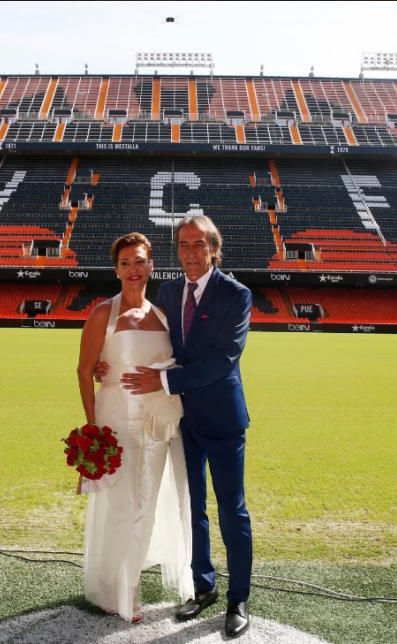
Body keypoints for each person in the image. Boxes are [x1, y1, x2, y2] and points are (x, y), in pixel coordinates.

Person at [121, 215, 254, 639]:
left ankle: (238, 598)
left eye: (199, 245)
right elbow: (157, 343)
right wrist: (114, 360)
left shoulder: (236, 295)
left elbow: (222, 361)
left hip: (223, 420)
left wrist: (162, 381)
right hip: (185, 420)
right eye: (183, 245)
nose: (191, 253)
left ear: (214, 248)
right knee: (192, 509)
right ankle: (204, 587)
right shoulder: (170, 290)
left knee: (232, 511)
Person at [75, 232, 194, 623]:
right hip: (116, 422)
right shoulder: (101, 315)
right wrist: (93, 432)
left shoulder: (162, 316)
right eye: (125, 263)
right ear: (116, 269)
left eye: (140, 261)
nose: (133, 269)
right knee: (121, 507)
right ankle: (114, 589)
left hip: (158, 423)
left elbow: (179, 363)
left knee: (147, 506)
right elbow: (84, 370)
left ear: (151, 266)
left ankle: (129, 586)